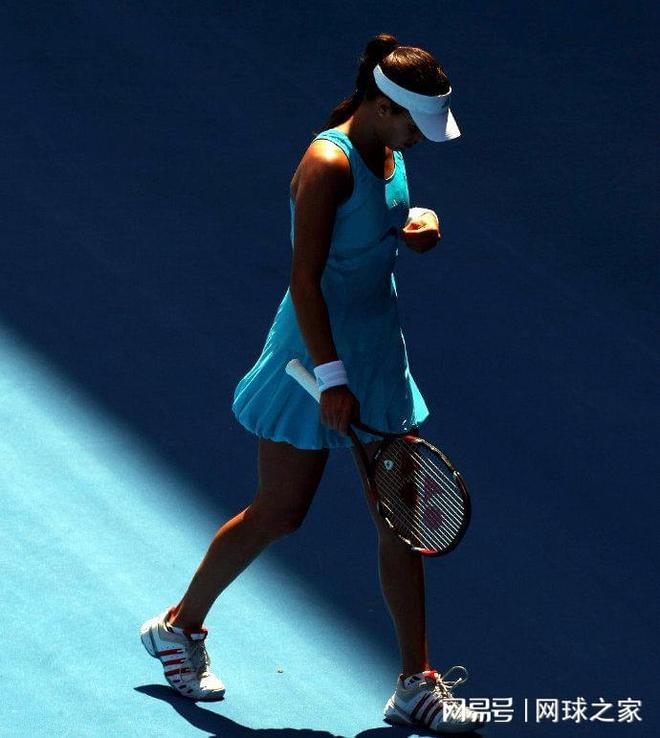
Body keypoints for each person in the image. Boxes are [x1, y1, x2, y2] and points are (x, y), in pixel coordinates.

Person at [140, 32, 481, 734]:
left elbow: (375, 228)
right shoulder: (326, 164)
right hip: (316, 356)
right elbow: (305, 280)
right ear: (382, 107)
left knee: (402, 522)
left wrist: (414, 226)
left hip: (378, 351)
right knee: (279, 512)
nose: (421, 138)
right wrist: (331, 380)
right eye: (415, 123)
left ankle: (414, 684)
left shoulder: (388, 148)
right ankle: (179, 627)